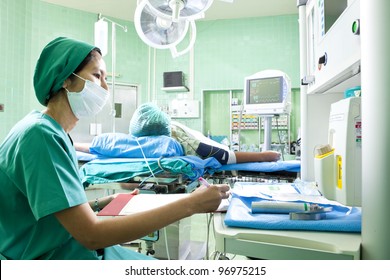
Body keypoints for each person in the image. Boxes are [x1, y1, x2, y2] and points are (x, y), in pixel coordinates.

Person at [0, 37, 230, 260]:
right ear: (65, 79)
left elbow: (54, 211)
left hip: (61, 247)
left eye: (105, 78)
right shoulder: (41, 136)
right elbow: (92, 235)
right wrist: (191, 204)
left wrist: (101, 203)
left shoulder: (51, 132)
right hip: (47, 258)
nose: (104, 87)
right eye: (96, 75)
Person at [75, 102, 281, 164]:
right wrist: (71, 144)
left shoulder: (179, 137)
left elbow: (223, 155)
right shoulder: (129, 140)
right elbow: (93, 147)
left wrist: (264, 155)